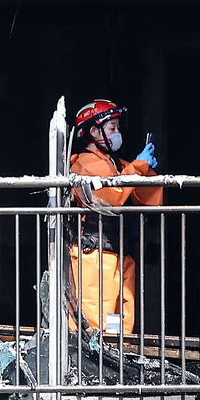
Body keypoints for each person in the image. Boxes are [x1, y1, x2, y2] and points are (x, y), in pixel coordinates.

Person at [69, 99, 162, 334]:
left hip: (119, 254)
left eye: (118, 128)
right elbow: (111, 197)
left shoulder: (118, 164)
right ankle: (93, 369)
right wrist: (137, 168)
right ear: (93, 131)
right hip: (94, 257)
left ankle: (119, 367)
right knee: (96, 325)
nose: (117, 133)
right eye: (112, 128)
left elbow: (151, 200)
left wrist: (146, 170)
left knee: (121, 323)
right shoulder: (85, 163)